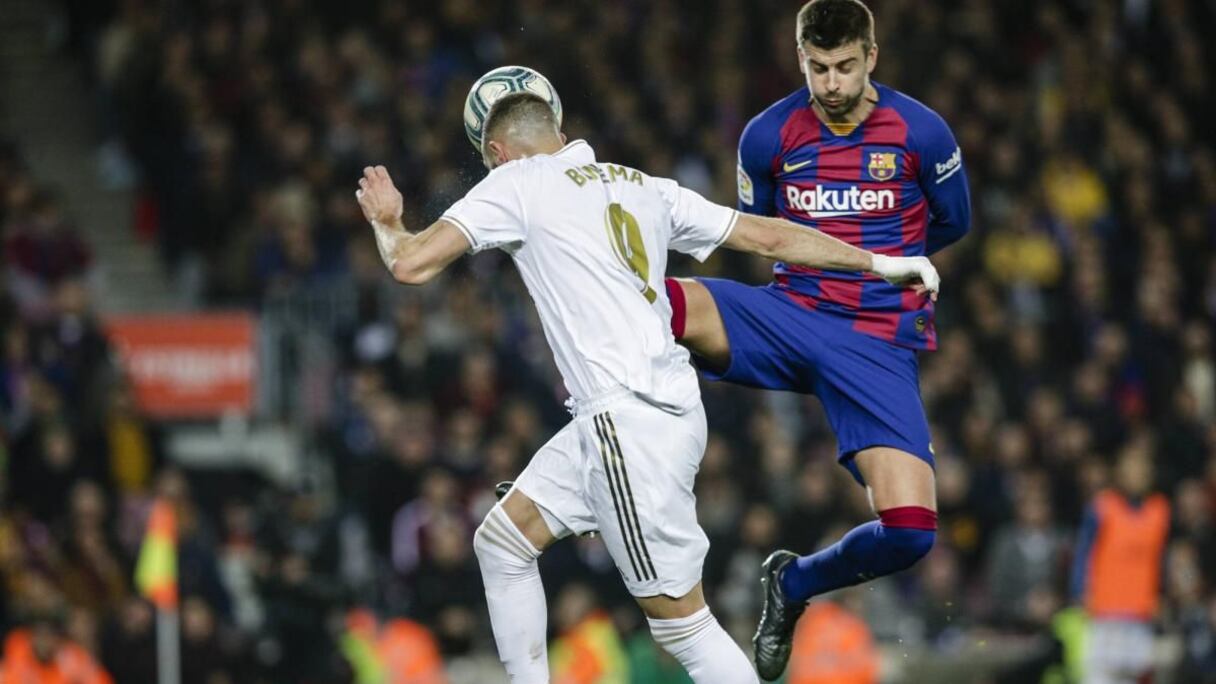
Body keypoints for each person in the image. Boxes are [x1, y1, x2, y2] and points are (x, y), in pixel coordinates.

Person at [355, 88, 939, 683]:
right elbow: (767, 237)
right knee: (503, 540)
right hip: (648, 412)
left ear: (498, 153)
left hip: (624, 424)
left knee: (683, 627)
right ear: (559, 124)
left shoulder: (516, 182)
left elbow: (410, 264)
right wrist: (879, 263)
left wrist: (387, 221)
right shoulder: (643, 185)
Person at [661, 0, 970, 677]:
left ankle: (791, 584)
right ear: (800, 58)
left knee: (913, 534)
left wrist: (885, 273)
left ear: (872, 58)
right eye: (818, 67)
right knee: (650, 303)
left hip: (877, 342)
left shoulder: (922, 132)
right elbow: (760, 228)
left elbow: (951, 223)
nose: (831, 84)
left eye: (845, 67)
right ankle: (583, 447)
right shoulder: (767, 137)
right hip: (791, 312)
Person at [1071, 442, 1170, 684]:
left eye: (1142, 468)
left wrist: (1165, 595)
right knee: (1099, 676)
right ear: (1119, 472)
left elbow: (1164, 558)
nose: (1137, 474)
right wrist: (1078, 590)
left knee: (1138, 676)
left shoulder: (1160, 509)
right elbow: (1083, 551)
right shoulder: (1102, 507)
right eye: (1131, 468)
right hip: (1104, 611)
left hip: (1141, 611)